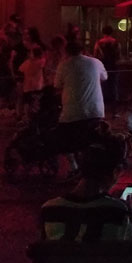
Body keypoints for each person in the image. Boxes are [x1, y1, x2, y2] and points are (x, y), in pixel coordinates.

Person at [53, 39, 109, 174]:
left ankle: (73, 167)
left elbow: (57, 85)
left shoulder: (64, 65)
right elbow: (104, 77)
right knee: (93, 138)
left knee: (61, 139)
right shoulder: (95, 62)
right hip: (96, 110)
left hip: (72, 112)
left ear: (66, 51)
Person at [92, 25, 121, 110]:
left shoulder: (99, 43)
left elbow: (95, 55)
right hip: (113, 66)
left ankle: (102, 107)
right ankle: (115, 108)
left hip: (102, 66)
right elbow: (119, 56)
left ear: (103, 32)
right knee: (114, 86)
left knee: (102, 86)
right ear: (112, 32)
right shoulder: (116, 42)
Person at [18, 45, 46, 121]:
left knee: (27, 103)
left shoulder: (26, 63)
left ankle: (26, 118)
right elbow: (44, 62)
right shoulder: (41, 62)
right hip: (37, 86)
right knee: (36, 103)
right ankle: (35, 118)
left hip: (27, 87)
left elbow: (20, 69)